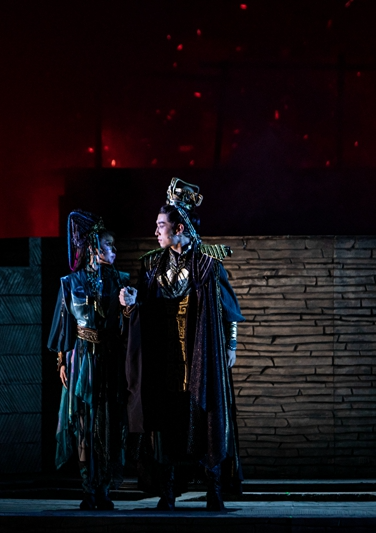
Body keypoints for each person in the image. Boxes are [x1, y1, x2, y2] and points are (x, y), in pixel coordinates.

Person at [120, 178, 244, 512]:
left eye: (161, 225)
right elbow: (145, 310)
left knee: (205, 420)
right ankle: (168, 492)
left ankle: (214, 491)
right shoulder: (152, 266)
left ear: (178, 228)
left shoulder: (207, 264)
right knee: (167, 423)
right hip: (166, 361)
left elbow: (229, 310)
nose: (155, 231)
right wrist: (131, 305)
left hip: (200, 357)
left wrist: (230, 346)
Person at [48, 210, 129, 511]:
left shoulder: (121, 280)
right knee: (84, 424)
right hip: (82, 359)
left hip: (110, 358)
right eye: (108, 244)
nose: (114, 250)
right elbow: (64, 323)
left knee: (108, 423)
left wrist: (129, 308)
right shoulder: (71, 283)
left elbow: (127, 324)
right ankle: (88, 489)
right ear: (94, 247)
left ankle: (104, 489)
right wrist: (61, 361)